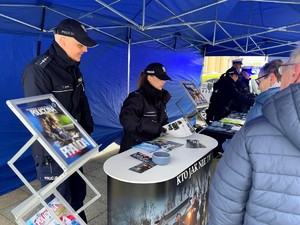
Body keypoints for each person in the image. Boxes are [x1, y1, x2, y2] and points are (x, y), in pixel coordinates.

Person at [207, 46, 300, 225]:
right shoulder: (229, 82)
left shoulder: (256, 130)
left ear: (294, 73)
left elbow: (226, 203)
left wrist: (228, 146)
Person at [22, 18, 98, 223]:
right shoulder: (38, 70)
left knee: (78, 198)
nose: (85, 50)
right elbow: (44, 118)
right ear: (62, 40)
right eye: (80, 45)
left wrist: (86, 132)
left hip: (74, 147)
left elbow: (82, 99)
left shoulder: (73, 66)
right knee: (59, 206)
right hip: (52, 154)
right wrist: (75, 141)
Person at [119, 62, 171, 153]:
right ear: (149, 77)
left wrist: (170, 128)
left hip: (153, 145)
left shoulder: (161, 97)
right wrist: (156, 128)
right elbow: (127, 121)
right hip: (133, 148)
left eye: (164, 78)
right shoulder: (136, 97)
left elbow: (162, 120)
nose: (164, 81)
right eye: (160, 78)